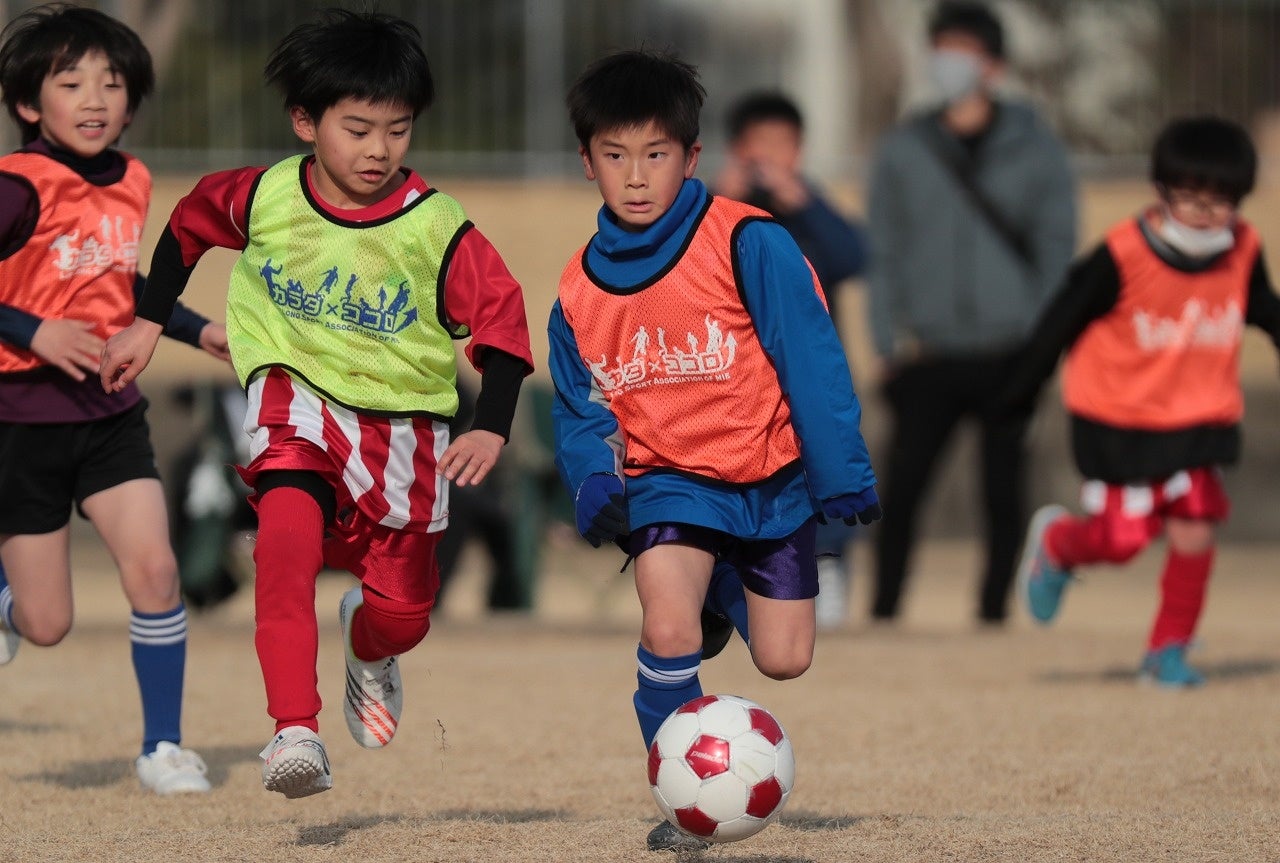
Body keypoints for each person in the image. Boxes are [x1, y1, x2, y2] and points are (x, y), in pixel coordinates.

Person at [100, 9, 534, 798]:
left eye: (397, 131)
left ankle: (368, 646)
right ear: (306, 120)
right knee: (284, 544)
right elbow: (189, 224)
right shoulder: (265, 196)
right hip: (292, 403)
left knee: (404, 614)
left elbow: (502, 322)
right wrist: (148, 319)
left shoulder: (433, 226)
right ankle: (293, 729)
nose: (378, 150)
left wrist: (492, 424)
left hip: (402, 429)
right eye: (358, 128)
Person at [548, 48, 880, 852]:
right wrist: (593, 480)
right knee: (667, 628)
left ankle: (720, 584)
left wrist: (840, 470)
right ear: (586, 162)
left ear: (691, 157)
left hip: (770, 482)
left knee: (785, 658)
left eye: (655, 154)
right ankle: (681, 809)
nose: (635, 176)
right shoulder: (577, 293)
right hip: (669, 482)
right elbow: (578, 407)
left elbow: (811, 355)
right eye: (614, 156)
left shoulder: (748, 241)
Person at [0, 3, 227, 795]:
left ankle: (162, 747)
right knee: (48, 625)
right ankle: (8, 598)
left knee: (156, 573)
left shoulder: (131, 178)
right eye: (71, 82)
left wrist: (193, 328)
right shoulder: (17, 185)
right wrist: (32, 330)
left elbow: (114, 278)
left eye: (113, 82)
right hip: (20, 423)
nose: (95, 97)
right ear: (30, 103)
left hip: (109, 415)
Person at [1006, 116, 1280, 687]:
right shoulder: (1123, 254)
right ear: (1161, 192)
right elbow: (1058, 323)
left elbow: (1264, 309)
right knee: (1123, 540)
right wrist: (1018, 396)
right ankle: (1059, 545)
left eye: (1221, 201)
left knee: (1196, 529)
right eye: (1190, 199)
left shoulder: (1245, 250)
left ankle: (1167, 652)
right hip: (1119, 422)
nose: (1205, 214)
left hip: (1200, 416)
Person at [865, 0, 1076, 624]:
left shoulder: (1035, 147)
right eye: (941, 50)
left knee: (1004, 490)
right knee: (901, 490)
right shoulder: (903, 148)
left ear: (993, 66)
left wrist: (1040, 339)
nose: (946, 65)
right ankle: (885, 609)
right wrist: (885, 340)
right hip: (927, 350)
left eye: (962, 53)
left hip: (1010, 348)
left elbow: (1056, 248)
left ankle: (992, 611)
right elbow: (884, 250)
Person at [716, 90, 869, 628]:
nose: (770, 158)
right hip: (733, 381)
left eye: (783, 146)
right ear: (737, 150)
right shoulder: (714, 209)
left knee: (823, 472)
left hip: (808, 379)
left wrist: (802, 200)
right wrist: (717, 197)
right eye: (760, 146)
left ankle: (828, 574)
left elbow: (854, 257)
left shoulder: (809, 208)